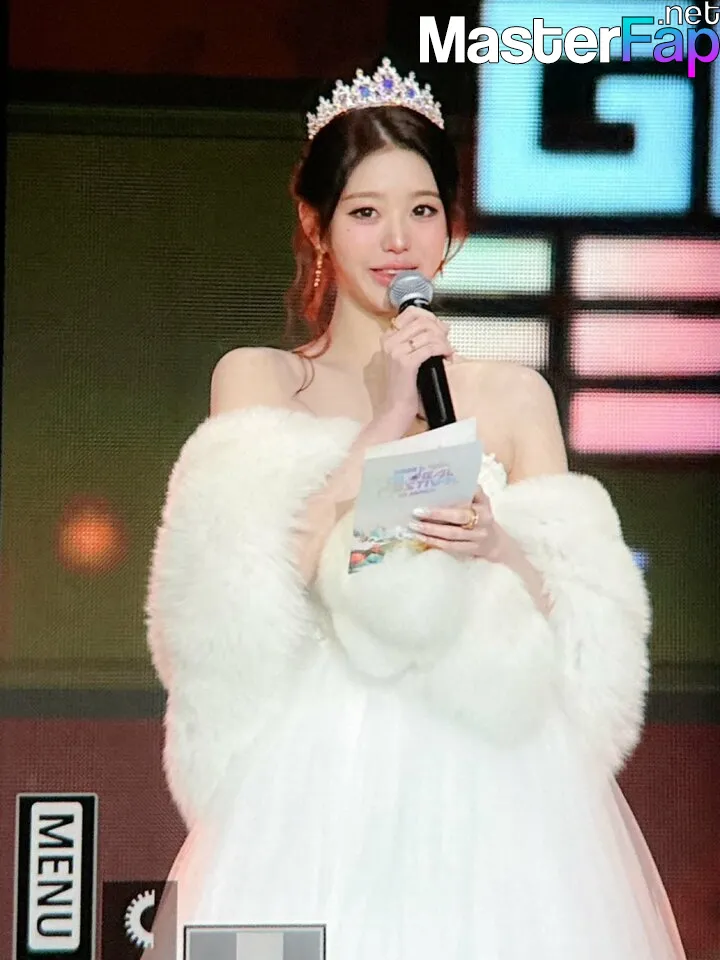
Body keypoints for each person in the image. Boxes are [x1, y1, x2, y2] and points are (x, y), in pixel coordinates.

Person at [144, 59, 687, 959]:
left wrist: (497, 544)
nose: (397, 239)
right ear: (317, 226)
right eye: (366, 212)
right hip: (314, 780)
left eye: (423, 210)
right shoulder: (260, 379)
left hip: (495, 779)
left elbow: (585, 617)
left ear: (450, 226)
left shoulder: (513, 397)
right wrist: (388, 418)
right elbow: (242, 590)